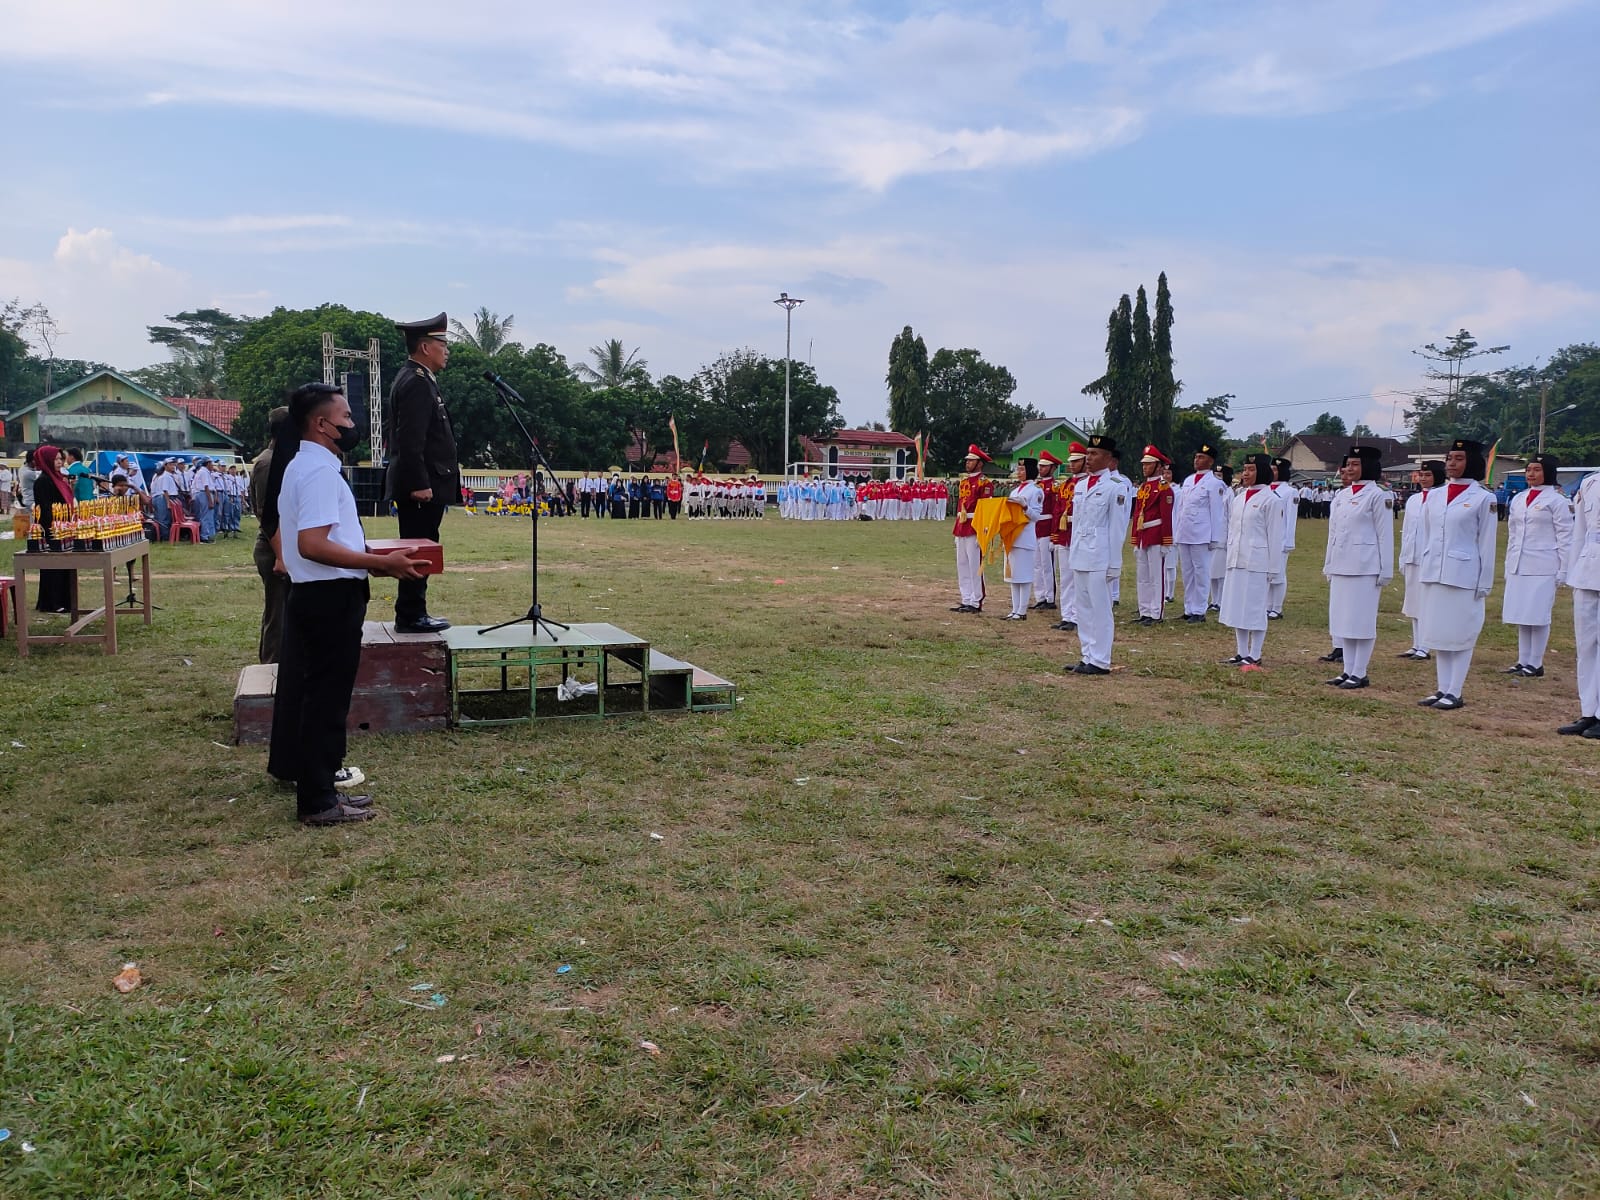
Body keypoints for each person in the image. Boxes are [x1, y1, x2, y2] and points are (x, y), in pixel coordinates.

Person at [266, 382, 424, 825]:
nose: (352, 426)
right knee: (325, 701)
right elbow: (314, 545)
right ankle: (318, 802)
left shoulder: (306, 466)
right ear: (321, 424)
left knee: (322, 697)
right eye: (347, 419)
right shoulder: (316, 473)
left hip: (321, 593)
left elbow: (326, 541)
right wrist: (378, 561)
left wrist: (371, 563)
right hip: (328, 596)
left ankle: (322, 789)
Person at [384, 312, 460, 634]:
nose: (447, 350)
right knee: (418, 548)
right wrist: (418, 483)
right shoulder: (415, 382)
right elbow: (409, 439)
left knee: (424, 545)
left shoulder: (420, 378)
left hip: (427, 480)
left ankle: (414, 611)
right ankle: (411, 614)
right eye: (443, 344)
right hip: (421, 486)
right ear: (426, 346)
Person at [1415, 438, 1498, 711]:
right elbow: (1428, 535)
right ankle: (1441, 688)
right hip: (1434, 571)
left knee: (1460, 634)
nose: (1451, 463)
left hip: (1463, 574)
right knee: (1440, 633)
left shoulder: (1484, 498)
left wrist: (1483, 583)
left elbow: (1487, 544)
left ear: (1472, 462)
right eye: (1450, 458)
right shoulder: (1435, 495)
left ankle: (1455, 691)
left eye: (1459, 458)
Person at [1323, 446, 1394, 690]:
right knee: (1343, 620)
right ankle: (1347, 670)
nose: (1348, 469)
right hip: (1342, 563)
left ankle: (1360, 672)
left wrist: (1385, 570)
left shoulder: (1378, 495)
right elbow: (1333, 533)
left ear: (1368, 467)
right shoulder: (1341, 496)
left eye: (1355, 464)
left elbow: (1385, 536)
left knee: (1361, 622)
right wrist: (1329, 563)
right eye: (1347, 464)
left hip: (1365, 566)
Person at [1065, 434, 1132, 675]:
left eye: (1094, 454)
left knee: (1100, 608)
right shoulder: (1081, 485)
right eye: (1087, 453)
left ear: (1108, 458)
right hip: (1081, 553)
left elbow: (1117, 528)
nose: (1088, 458)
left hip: (1100, 556)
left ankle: (1101, 659)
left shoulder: (1116, 488)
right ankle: (1087, 655)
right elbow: (1078, 524)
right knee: (1082, 607)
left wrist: (1114, 563)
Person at [1501, 453, 1572, 679]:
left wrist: (1564, 568)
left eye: (1537, 470)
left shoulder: (1557, 501)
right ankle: (1523, 660)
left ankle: (1536, 663)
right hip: (1519, 563)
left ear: (1548, 473)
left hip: (1544, 564)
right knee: (1523, 614)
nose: (1531, 474)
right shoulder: (1520, 498)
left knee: (1539, 615)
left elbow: (1565, 536)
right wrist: (1508, 562)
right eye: (1529, 470)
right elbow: (1513, 533)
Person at [1219, 454, 1286, 668]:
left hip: (1258, 561)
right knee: (1237, 607)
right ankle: (1241, 652)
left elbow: (1275, 537)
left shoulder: (1271, 500)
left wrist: (1274, 568)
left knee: (1255, 609)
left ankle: (1255, 653)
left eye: (1250, 469)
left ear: (1262, 472)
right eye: (1244, 469)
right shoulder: (1238, 498)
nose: (1245, 474)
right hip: (1237, 559)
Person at [1560, 467, 1600, 738]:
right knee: (1586, 646)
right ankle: (1589, 711)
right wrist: (1572, 571)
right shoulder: (1591, 483)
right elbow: (1580, 533)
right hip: (1587, 571)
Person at [251, 407, 292, 663]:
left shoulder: (280, 458)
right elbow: (268, 516)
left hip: (283, 547)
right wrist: (281, 556)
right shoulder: (269, 463)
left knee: (285, 614)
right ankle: (270, 672)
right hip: (276, 548)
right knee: (278, 616)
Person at [1173, 442, 1230, 622]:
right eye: (1196, 457)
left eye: (1202, 457)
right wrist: (1176, 532)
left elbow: (1217, 513)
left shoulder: (1215, 483)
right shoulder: (1189, 480)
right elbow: (1181, 508)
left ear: (1210, 461)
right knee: (1188, 572)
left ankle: (1199, 610)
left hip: (1201, 533)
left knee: (1201, 571)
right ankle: (1189, 608)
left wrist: (1215, 538)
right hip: (1185, 531)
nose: (1197, 460)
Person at [1397, 461, 1443, 661]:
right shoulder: (1414, 500)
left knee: (1427, 603)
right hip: (1412, 555)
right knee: (1413, 602)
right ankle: (1416, 644)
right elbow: (1407, 529)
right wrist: (1403, 555)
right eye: (1421, 475)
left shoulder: (1441, 498)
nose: (1423, 479)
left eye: (1428, 475)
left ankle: (1426, 645)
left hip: (1429, 556)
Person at [29, 446, 77, 613]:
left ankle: (66, 600)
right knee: (53, 566)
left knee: (66, 565)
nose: (59, 462)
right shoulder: (43, 481)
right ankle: (52, 602)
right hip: (51, 528)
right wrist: (56, 524)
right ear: (47, 460)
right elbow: (46, 508)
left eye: (60, 459)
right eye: (56, 459)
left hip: (64, 527)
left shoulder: (58, 478)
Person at [1130, 445, 1174, 626]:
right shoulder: (1143, 487)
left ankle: (1156, 612)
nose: (1144, 467)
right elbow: (1136, 513)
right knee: (1143, 576)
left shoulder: (1164, 488)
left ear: (1158, 466)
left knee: (1156, 576)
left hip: (1156, 534)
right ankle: (1145, 610)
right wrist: (1134, 538)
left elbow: (1166, 516)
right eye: (1144, 464)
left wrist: (1166, 541)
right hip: (1143, 535)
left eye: (1149, 464)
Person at [952, 446, 995, 613]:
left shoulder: (984, 483)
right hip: (961, 526)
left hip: (974, 526)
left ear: (979, 464)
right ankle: (966, 598)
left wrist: (983, 532)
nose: (967, 463)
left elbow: (986, 509)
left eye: (971, 460)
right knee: (962, 564)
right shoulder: (964, 481)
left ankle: (976, 600)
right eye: (967, 460)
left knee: (974, 565)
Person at [1003, 458, 1045, 620]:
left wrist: (1025, 507)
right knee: (1013, 576)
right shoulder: (1015, 491)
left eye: (1022, 469)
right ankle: (1014, 609)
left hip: (1025, 537)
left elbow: (1036, 516)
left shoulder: (1035, 491)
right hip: (1012, 535)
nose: (1019, 472)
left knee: (1025, 576)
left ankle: (1022, 610)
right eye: (1018, 469)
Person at [1266, 458, 1297, 619]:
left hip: (1281, 539)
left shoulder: (1289, 492)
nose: (1272, 473)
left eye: (1276, 470)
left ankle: (1277, 608)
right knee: (1267, 574)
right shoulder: (1266, 489)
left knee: (1278, 575)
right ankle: (1267, 605)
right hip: (1266, 539)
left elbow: (1290, 519)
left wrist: (1288, 542)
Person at [1030, 451, 1061, 611]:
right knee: (1036, 565)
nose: (1040, 469)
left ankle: (1050, 597)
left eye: (1044, 466)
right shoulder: (1037, 486)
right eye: (1040, 466)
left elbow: (1056, 511)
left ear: (1053, 468)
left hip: (1047, 527)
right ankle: (1040, 596)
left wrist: (1053, 535)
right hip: (1036, 527)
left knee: (1048, 565)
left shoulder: (1055, 487)